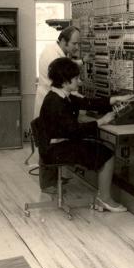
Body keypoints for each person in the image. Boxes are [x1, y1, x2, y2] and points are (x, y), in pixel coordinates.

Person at [37, 57, 134, 211]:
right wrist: (101, 121)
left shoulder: (60, 96)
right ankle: (104, 199)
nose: (80, 81)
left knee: (100, 146)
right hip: (55, 150)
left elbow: (88, 102)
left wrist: (116, 99)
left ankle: (103, 195)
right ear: (65, 82)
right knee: (107, 154)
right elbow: (74, 130)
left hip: (55, 145)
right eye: (76, 78)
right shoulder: (56, 102)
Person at [34, 26, 89, 190]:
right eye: (74, 43)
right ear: (63, 41)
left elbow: (68, 65)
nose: (76, 47)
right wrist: (83, 100)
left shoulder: (54, 50)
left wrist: (81, 62)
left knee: (49, 142)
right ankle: (48, 183)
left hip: (50, 101)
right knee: (49, 144)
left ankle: (51, 181)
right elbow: (63, 77)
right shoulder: (53, 55)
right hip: (50, 103)